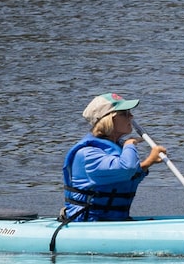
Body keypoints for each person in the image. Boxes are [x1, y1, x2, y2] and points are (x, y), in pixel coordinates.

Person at [62, 93, 165, 222]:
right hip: (88, 222)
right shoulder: (88, 154)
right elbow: (126, 169)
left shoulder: (116, 147)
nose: (131, 117)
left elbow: (123, 179)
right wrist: (130, 144)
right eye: (124, 114)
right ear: (109, 120)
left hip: (113, 220)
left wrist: (149, 162)